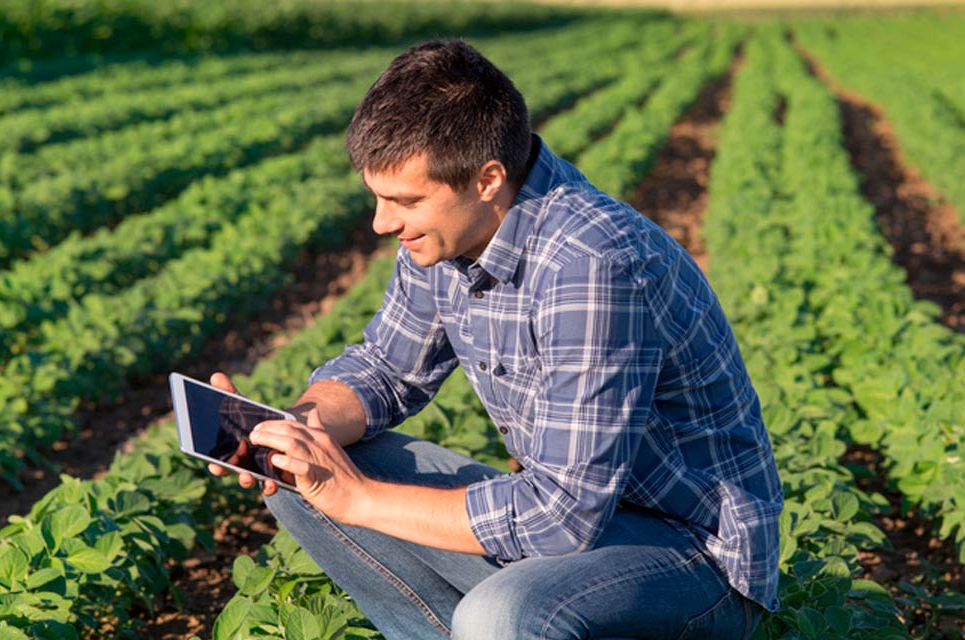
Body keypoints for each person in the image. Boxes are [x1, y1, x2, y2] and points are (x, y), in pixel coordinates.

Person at [207, 39, 782, 640]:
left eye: (404, 200)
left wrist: (358, 499)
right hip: (578, 524)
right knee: (300, 476)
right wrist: (288, 427)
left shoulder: (589, 262)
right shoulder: (448, 234)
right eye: (377, 196)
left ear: (487, 179)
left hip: (691, 554)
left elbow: (563, 516)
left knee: (500, 615)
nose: (382, 222)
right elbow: (387, 368)